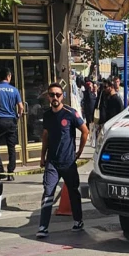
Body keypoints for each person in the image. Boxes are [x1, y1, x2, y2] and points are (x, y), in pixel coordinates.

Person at [37, 83, 89, 238]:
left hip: (68, 162)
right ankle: (43, 227)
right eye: (52, 94)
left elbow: (85, 131)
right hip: (52, 162)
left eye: (58, 95)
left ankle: (78, 220)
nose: (55, 97)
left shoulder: (70, 113)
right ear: (48, 97)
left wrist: (79, 151)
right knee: (48, 192)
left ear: (62, 96)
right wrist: (42, 156)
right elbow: (45, 136)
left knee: (73, 192)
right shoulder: (47, 115)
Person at [0, 68, 23, 181]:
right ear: (8, 76)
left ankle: (0, 170)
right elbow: (21, 107)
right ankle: (10, 172)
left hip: (0, 120)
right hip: (11, 121)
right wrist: (18, 116)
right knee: (11, 148)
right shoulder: (14, 90)